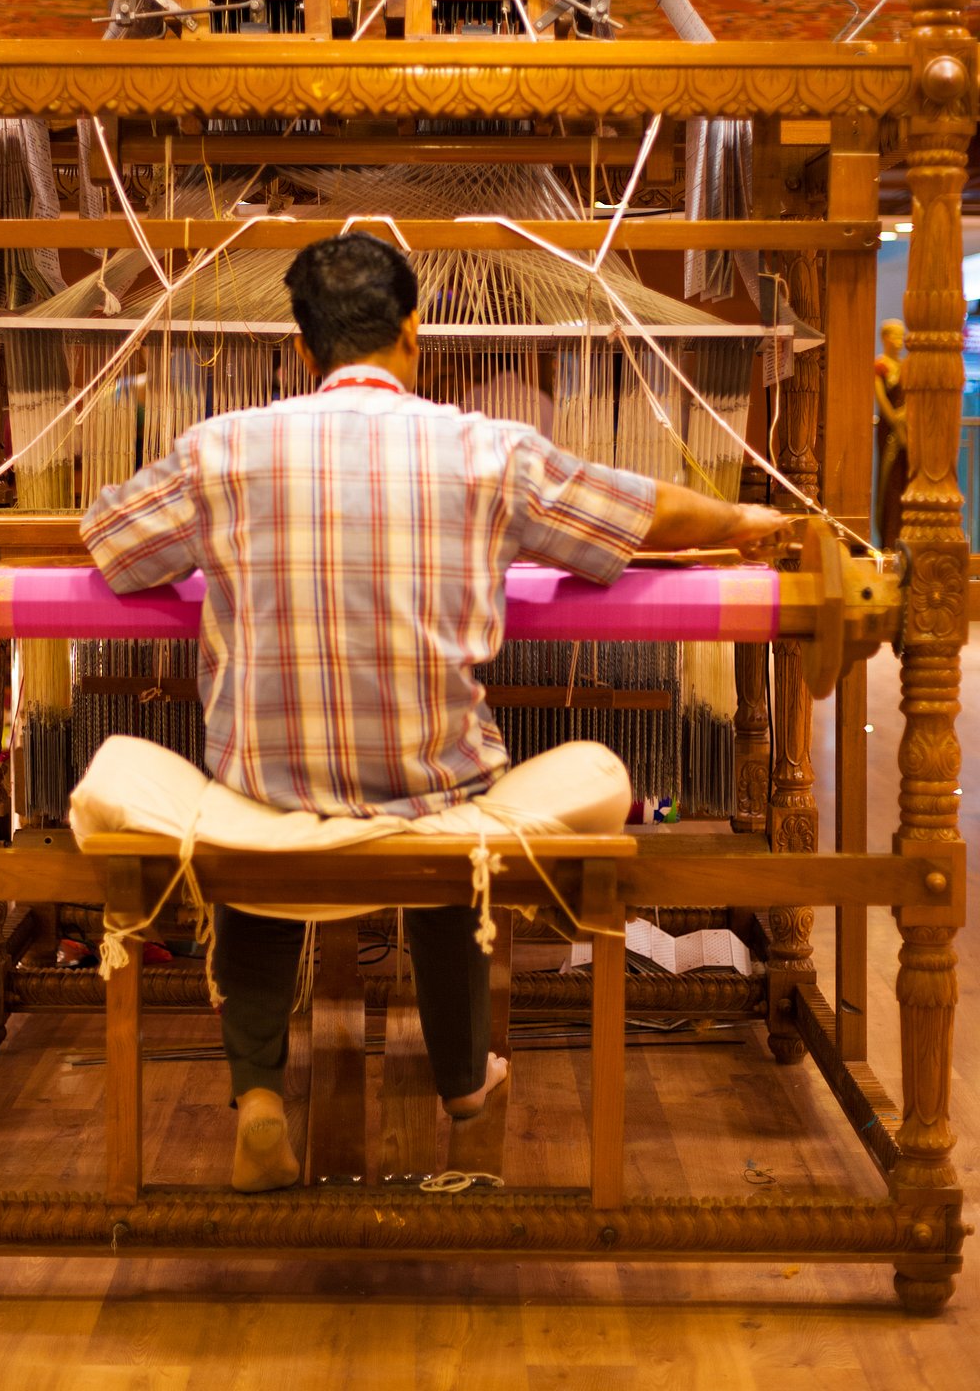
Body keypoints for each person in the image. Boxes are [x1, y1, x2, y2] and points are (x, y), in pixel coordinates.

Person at [77, 236, 789, 1191]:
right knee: (468, 805)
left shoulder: (221, 449)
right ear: (415, 333)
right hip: (431, 800)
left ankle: (257, 1098)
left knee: (248, 802)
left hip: (267, 802)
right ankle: (462, 1082)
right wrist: (747, 521)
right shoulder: (486, 451)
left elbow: (110, 544)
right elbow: (640, 515)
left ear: (299, 347)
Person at [874, 317, 908, 550]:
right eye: (895, 335)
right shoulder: (880, 365)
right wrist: (896, 420)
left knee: (905, 482)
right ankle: (887, 539)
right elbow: (882, 400)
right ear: (885, 337)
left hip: (908, 431)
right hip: (890, 431)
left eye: (901, 335)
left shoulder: (905, 366)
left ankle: (903, 538)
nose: (899, 340)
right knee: (890, 482)